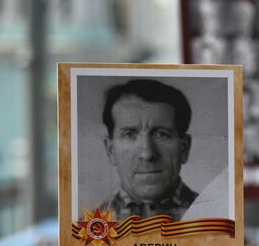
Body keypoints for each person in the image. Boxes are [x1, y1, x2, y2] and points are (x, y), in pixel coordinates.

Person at [92, 79, 224, 221]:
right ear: (111, 151)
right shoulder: (85, 232)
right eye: (130, 134)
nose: (147, 153)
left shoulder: (220, 221)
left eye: (161, 134)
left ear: (184, 148)